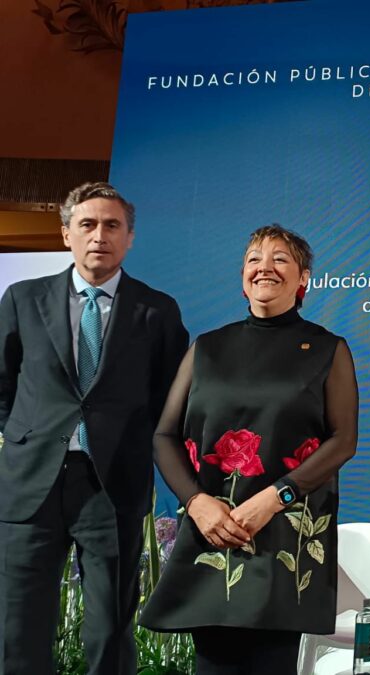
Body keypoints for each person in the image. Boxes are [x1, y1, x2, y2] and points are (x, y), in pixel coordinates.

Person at [139, 225, 358, 674]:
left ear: (304, 280)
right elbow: (164, 435)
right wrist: (197, 503)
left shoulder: (326, 349)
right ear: (243, 277)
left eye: (281, 258)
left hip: (282, 538)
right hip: (213, 535)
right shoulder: (207, 348)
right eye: (255, 258)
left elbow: (343, 441)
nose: (265, 266)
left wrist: (276, 497)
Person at [0, 182, 189, 674]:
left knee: (109, 628)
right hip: (30, 484)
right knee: (19, 625)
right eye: (86, 224)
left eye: (111, 226)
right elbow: (2, 385)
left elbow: (172, 402)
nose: (98, 236)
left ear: (129, 238)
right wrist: (23, 438)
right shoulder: (22, 298)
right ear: (66, 234)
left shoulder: (158, 310)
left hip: (112, 486)